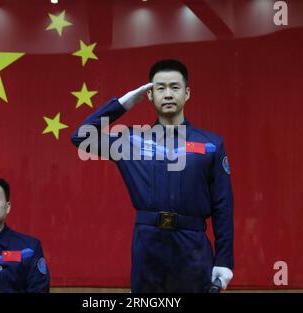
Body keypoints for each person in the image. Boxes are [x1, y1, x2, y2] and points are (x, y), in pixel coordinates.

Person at [71, 59, 234, 292]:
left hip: (193, 247)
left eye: (175, 87)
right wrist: (123, 104)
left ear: (187, 93)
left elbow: (223, 206)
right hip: (148, 246)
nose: (168, 94)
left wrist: (224, 261)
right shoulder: (130, 141)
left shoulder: (211, 145)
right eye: (160, 88)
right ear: (149, 95)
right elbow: (80, 137)